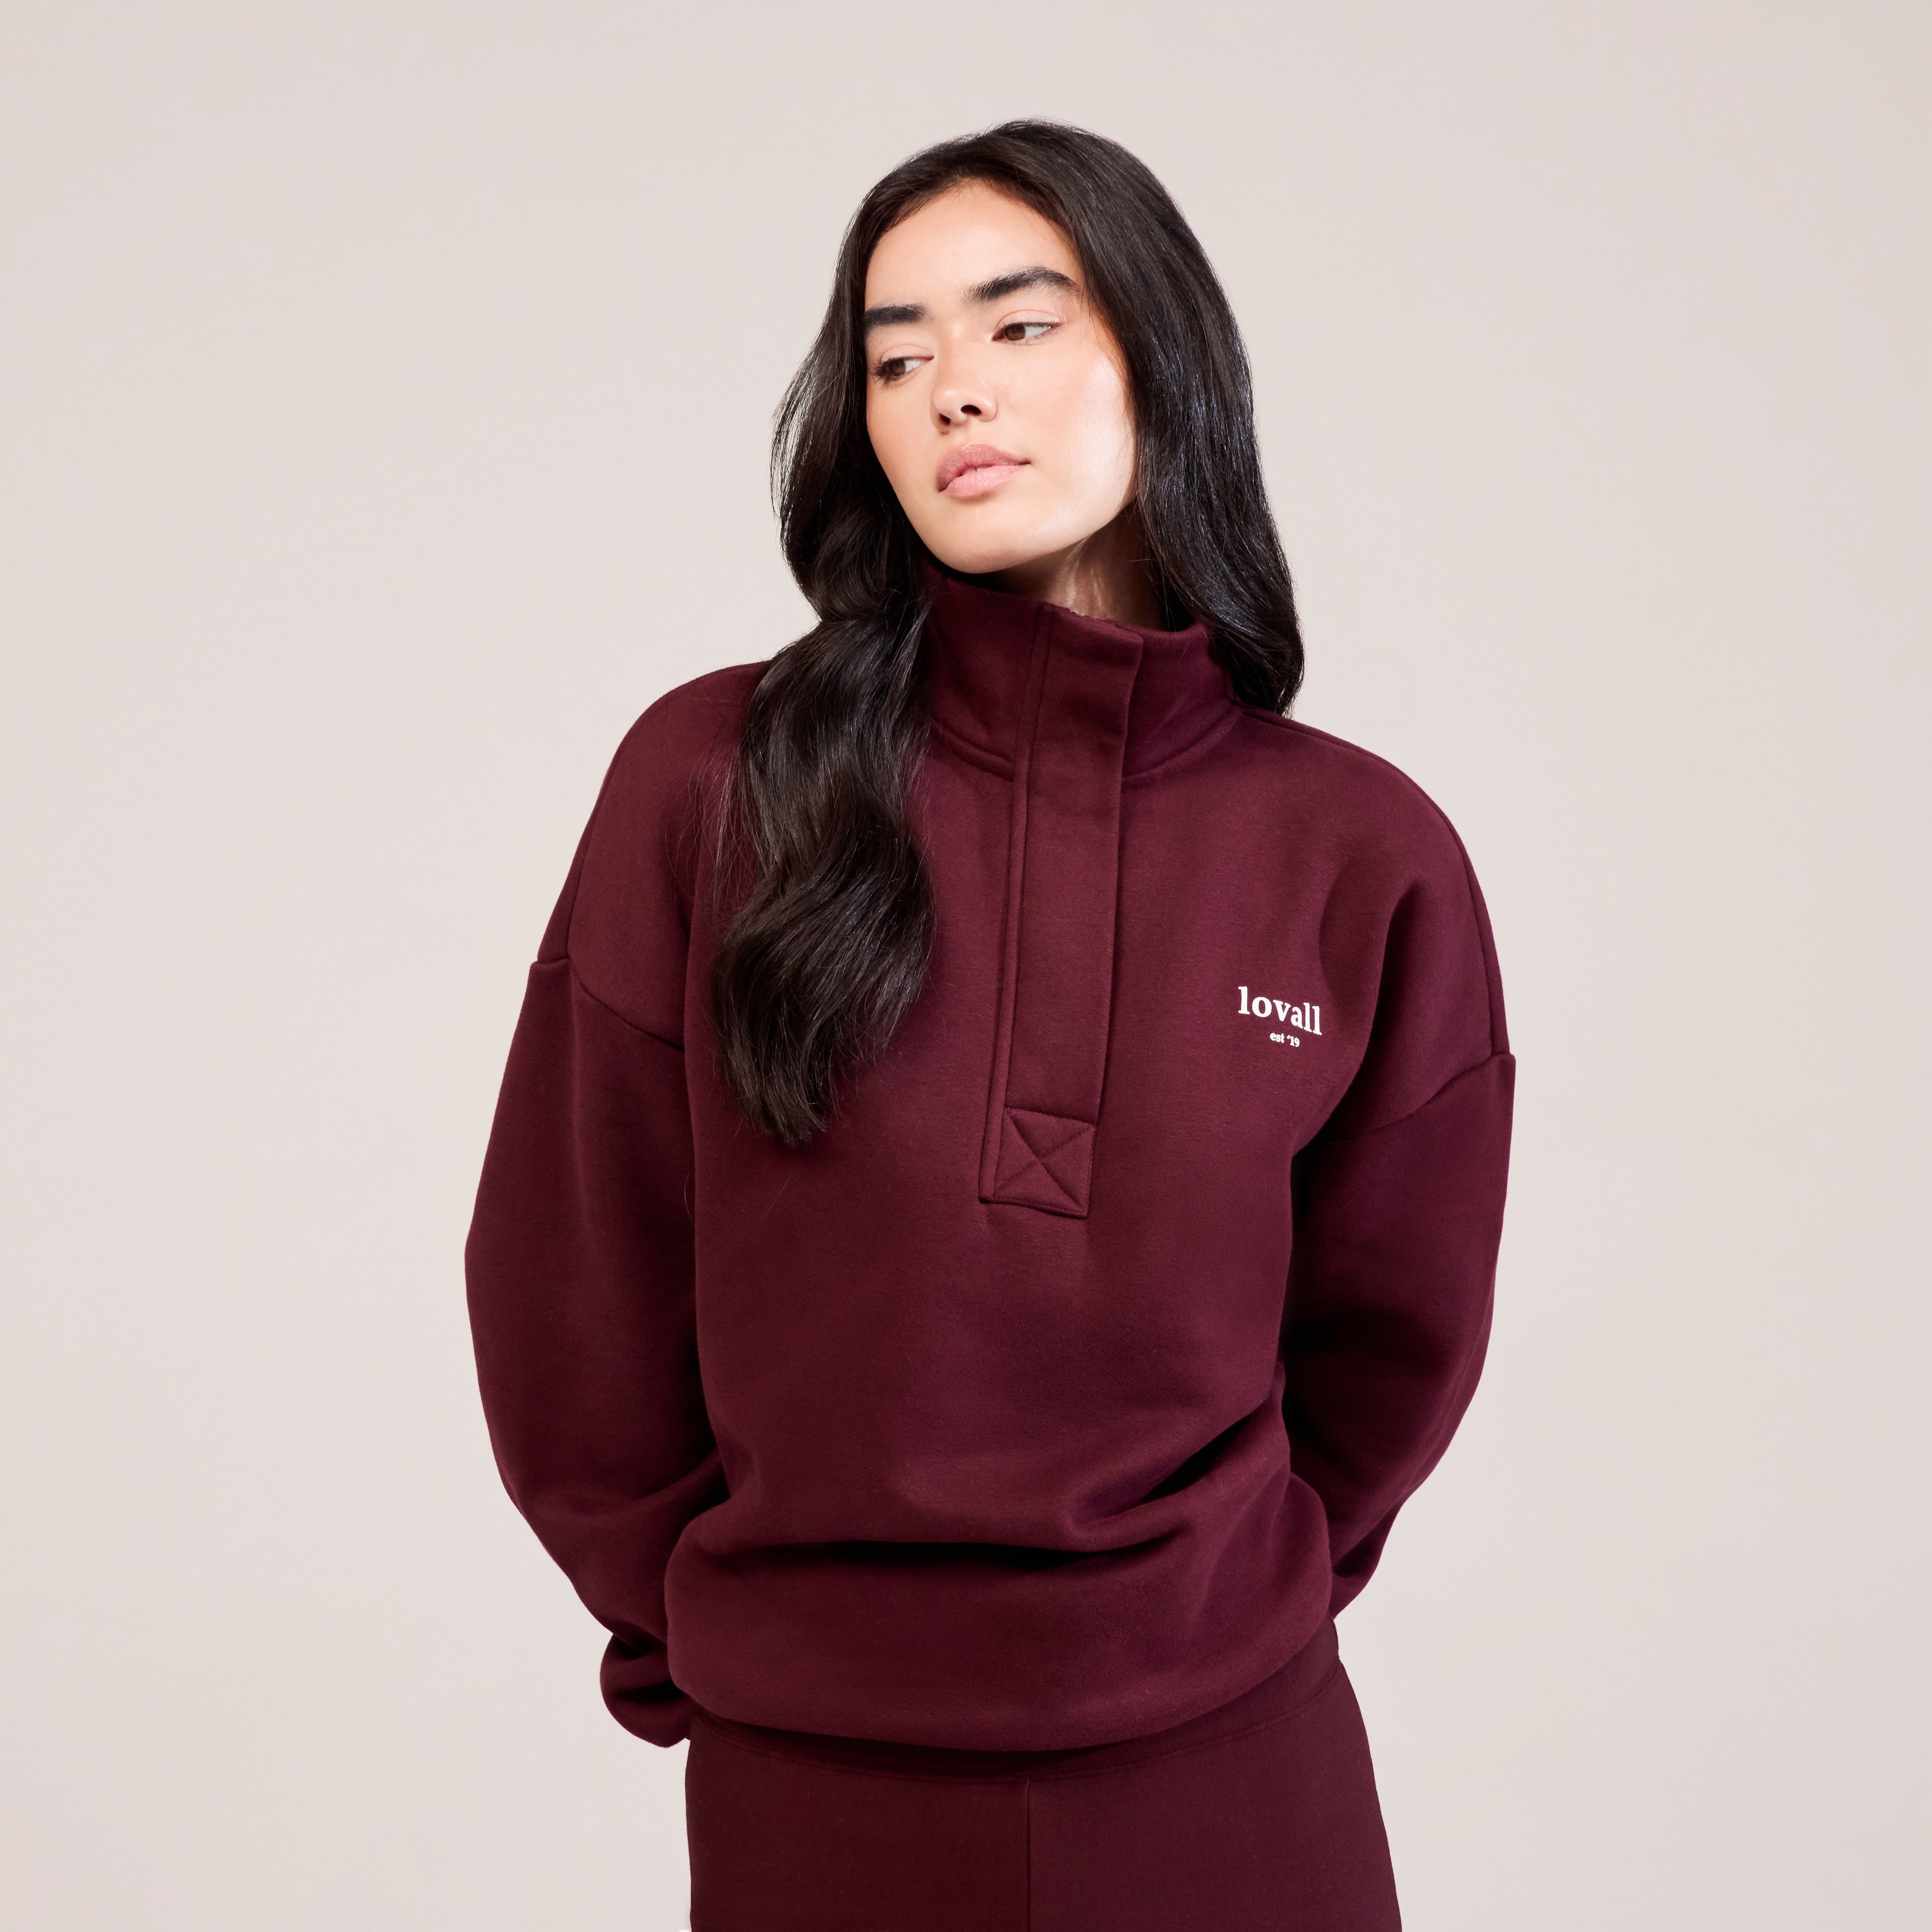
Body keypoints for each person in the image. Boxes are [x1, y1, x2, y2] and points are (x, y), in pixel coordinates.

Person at [465, 120, 1514, 1932]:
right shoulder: (714, 781)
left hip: (1231, 1775)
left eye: (1020, 324)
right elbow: (573, 1272)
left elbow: (1393, 1344)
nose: (954, 387)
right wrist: (726, 1631)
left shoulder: (1361, 853)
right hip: (817, 1789)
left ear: (1164, 360)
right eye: (896, 357)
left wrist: (1209, 1607)